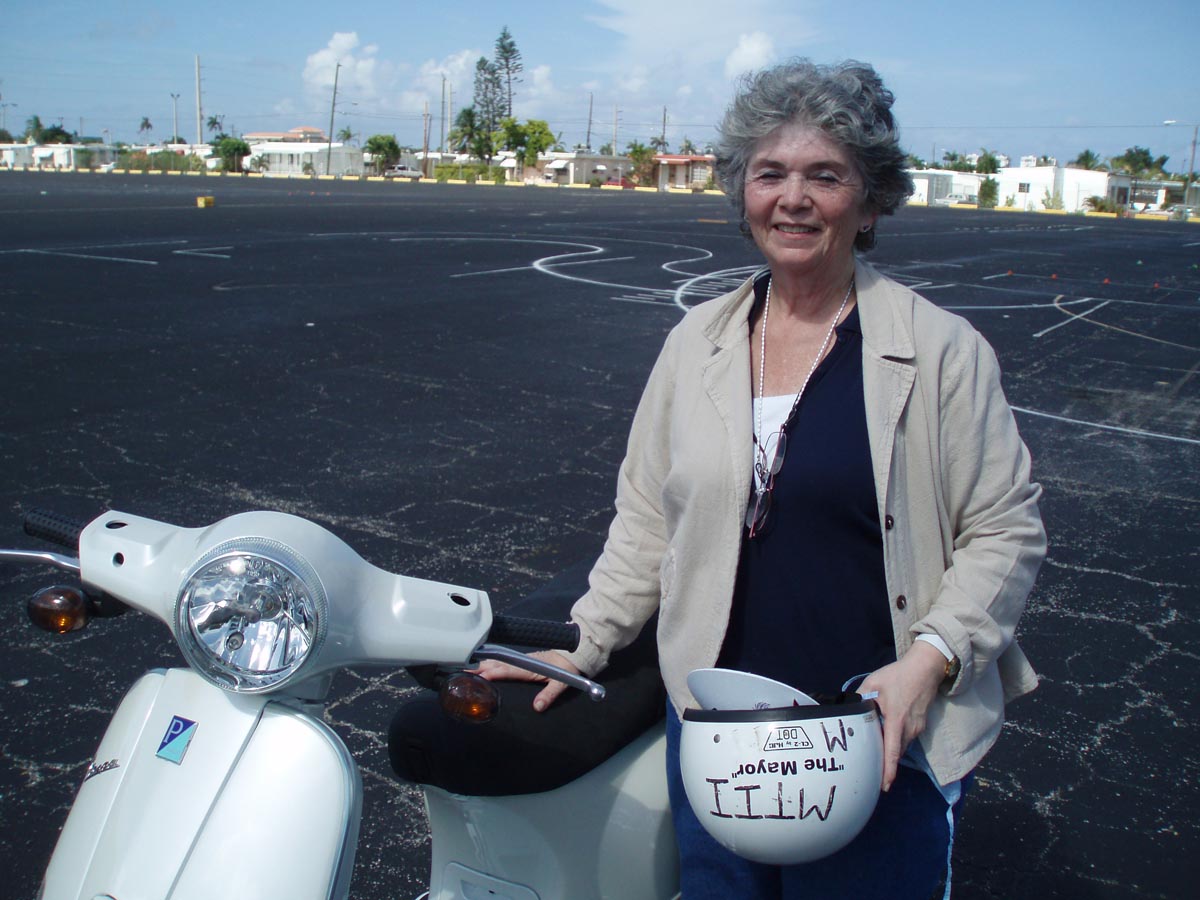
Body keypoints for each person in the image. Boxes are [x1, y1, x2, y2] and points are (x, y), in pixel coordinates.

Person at [479, 58, 1045, 899]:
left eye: (826, 175)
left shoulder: (940, 351)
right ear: (742, 193)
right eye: (770, 173)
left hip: (874, 732)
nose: (794, 199)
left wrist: (929, 661)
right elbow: (648, 520)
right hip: (718, 735)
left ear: (870, 200)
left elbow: (1005, 527)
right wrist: (583, 642)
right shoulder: (696, 344)